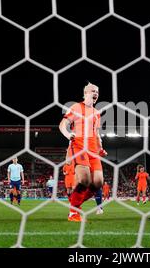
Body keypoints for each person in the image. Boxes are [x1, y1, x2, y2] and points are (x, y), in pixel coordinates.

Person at [59, 82, 107, 222]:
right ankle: (74, 212)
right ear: (85, 93)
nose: (95, 93)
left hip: (93, 148)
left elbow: (97, 134)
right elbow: (62, 125)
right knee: (84, 179)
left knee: (98, 182)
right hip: (79, 144)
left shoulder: (97, 113)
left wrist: (100, 148)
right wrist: (68, 135)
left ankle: (74, 203)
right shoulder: (76, 107)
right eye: (92, 91)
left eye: (97, 91)